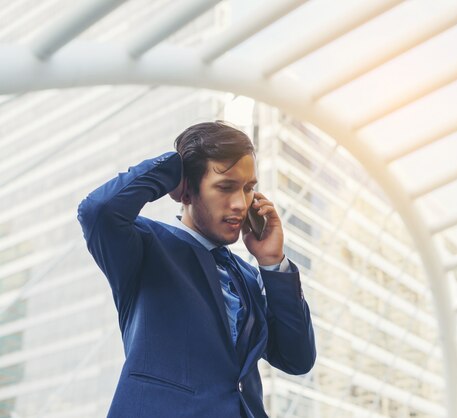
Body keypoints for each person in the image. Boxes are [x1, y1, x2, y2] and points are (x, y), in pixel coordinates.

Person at [77, 121, 316, 418]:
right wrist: (174, 168)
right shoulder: (146, 248)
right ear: (187, 191)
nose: (241, 203)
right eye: (226, 187)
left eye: (248, 189)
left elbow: (297, 359)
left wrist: (272, 261)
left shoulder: (248, 276)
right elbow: (97, 211)